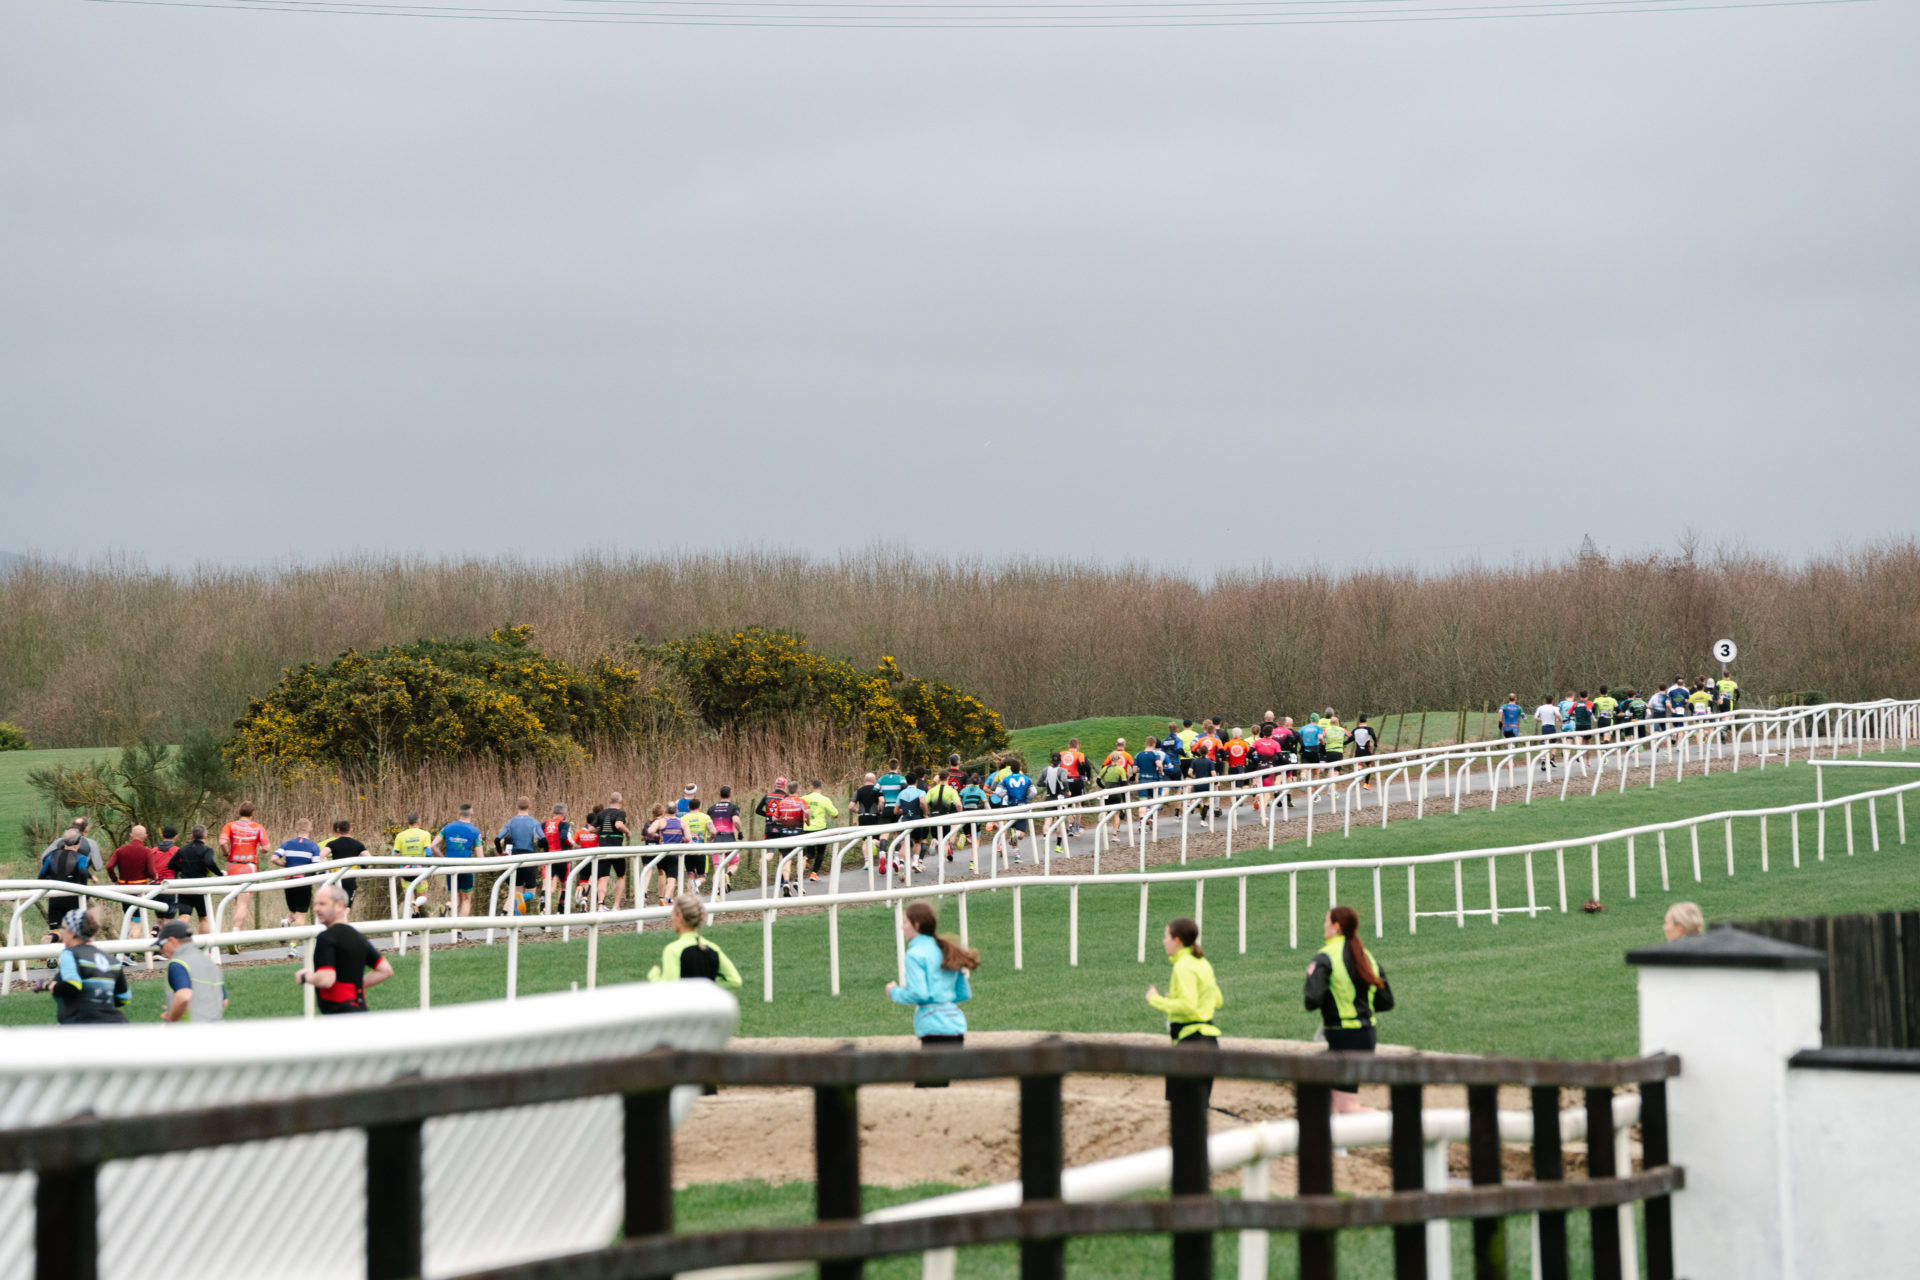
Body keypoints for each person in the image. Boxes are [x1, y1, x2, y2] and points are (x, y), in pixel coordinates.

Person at [1304, 906, 1393, 1114]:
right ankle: (1333, 1138)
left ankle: (1400, 1125)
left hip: (1344, 1037)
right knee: (1325, 1096)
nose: (1324, 925)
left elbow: (1312, 1000)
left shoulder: (1326, 957)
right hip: (1366, 1035)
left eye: (1326, 921)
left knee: (1348, 1107)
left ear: (1336, 927)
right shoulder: (1366, 956)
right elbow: (1386, 1002)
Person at [889, 900, 979, 1087]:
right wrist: (942, 998)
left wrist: (894, 992)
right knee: (938, 1087)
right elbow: (963, 993)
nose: (901, 927)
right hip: (956, 1027)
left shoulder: (915, 955)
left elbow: (920, 994)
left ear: (916, 925)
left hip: (935, 1029)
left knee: (927, 1089)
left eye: (905, 922)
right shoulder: (945, 949)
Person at [1145, 916, 1221, 1104]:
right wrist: (1177, 998)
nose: (1163, 941)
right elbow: (1217, 1000)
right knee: (1199, 1109)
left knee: (1177, 1108)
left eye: (1166, 936)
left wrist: (1156, 1000)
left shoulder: (1182, 967)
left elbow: (1188, 1006)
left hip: (1190, 1042)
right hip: (1210, 1042)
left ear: (1177, 940)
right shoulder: (1203, 963)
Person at [297, 883, 392, 1013]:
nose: (316, 909)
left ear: (339, 905)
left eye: (322, 904)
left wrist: (305, 976)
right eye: (315, 904)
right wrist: (355, 987)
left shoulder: (326, 937)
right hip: (362, 1011)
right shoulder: (359, 937)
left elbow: (326, 979)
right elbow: (385, 970)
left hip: (341, 1015)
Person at [35, 909, 129, 1024]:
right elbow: (124, 998)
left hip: (81, 1024)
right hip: (118, 1024)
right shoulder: (112, 960)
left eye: (63, 928)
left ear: (72, 932)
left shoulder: (70, 954)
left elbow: (73, 985)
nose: (61, 933)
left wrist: (47, 985)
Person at [646, 892, 742, 988]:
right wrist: (707, 982)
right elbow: (735, 980)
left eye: (673, 914)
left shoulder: (673, 950)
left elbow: (668, 988)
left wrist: (654, 975)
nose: (672, 919)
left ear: (680, 917)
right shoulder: (713, 948)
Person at [157, 918, 226, 1023]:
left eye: (161, 945)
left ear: (172, 941)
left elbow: (183, 997)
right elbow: (223, 1002)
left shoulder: (177, 964)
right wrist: (176, 1008)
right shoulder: (209, 962)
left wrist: (172, 1018)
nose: (161, 950)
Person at [218, 802, 269, 932]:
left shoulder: (230, 825)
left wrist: (226, 853)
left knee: (236, 900)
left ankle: (233, 931)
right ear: (252, 814)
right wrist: (261, 850)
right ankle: (235, 933)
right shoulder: (258, 828)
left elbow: (222, 842)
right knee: (242, 903)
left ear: (238, 812)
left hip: (233, 865)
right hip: (249, 866)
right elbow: (266, 847)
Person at [167, 825, 223, 935]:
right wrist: (220, 874)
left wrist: (183, 868)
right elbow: (209, 862)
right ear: (205, 836)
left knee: (184, 916)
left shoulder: (182, 850)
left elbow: (171, 865)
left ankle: (174, 937)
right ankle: (204, 944)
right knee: (204, 918)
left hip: (185, 886)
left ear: (191, 835)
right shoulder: (207, 850)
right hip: (201, 887)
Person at [431, 805, 484, 921]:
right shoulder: (475, 831)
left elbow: (433, 846)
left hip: (450, 867)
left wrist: (443, 859)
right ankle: (459, 928)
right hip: (466, 867)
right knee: (466, 899)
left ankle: (447, 906)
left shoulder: (447, 827)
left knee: (455, 899)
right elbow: (480, 856)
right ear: (472, 814)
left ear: (459, 814)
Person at [271, 819, 325, 930]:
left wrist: (286, 865)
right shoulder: (313, 846)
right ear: (311, 830)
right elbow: (316, 866)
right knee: (301, 914)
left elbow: (274, 858)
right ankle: (295, 940)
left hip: (289, 881)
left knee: (292, 911)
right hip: (303, 882)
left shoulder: (287, 844)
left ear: (296, 830)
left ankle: (287, 921)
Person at [496, 798, 545, 915]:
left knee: (517, 891)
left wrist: (500, 852)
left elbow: (497, 839)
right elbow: (543, 839)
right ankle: (520, 904)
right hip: (529, 857)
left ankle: (515, 918)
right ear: (530, 807)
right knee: (531, 893)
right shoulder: (534, 822)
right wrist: (545, 851)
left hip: (515, 857)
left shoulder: (511, 822)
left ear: (517, 806)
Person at [39, 831, 93, 931]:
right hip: (73, 899)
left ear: (64, 842)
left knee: (55, 932)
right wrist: (86, 893)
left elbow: (41, 877)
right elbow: (83, 872)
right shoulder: (81, 858)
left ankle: (52, 937)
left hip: (55, 899)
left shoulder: (51, 857)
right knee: (74, 933)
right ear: (79, 843)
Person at [590, 793, 632, 908]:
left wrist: (602, 831)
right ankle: (616, 905)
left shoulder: (601, 813)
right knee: (621, 876)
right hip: (616, 849)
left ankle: (601, 904)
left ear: (609, 800)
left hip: (603, 849)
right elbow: (618, 825)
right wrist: (627, 831)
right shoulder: (620, 813)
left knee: (603, 878)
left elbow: (591, 828)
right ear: (621, 801)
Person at [322, 818, 367, 907]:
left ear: (338, 830)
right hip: (350, 878)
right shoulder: (358, 844)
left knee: (336, 905)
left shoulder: (332, 843)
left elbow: (322, 855)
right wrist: (363, 866)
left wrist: (327, 870)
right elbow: (368, 858)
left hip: (336, 878)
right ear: (351, 830)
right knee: (347, 906)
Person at [801, 780, 841, 881]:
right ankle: (814, 874)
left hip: (806, 828)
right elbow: (835, 813)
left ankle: (803, 863)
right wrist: (833, 816)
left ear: (811, 787)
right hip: (820, 829)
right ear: (821, 787)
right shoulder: (824, 799)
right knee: (820, 852)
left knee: (809, 853)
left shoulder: (804, 798)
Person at [706, 786, 743, 893]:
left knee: (717, 869)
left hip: (716, 840)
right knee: (734, 864)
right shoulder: (733, 807)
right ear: (731, 794)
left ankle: (717, 891)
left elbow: (709, 825)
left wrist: (711, 837)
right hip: (729, 839)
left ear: (719, 795)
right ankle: (728, 874)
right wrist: (740, 832)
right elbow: (736, 820)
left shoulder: (711, 808)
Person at [541, 804, 576, 906]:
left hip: (548, 859)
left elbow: (540, 842)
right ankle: (561, 910)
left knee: (545, 886)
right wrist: (571, 845)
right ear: (564, 814)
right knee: (564, 887)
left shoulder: (543, 824)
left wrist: (546, 847)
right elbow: (564, 837)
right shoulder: (564, 824)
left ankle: (543, 908)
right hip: (562, 858)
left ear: (553, 813)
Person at [1351, 716, 1378, 789]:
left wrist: (1344, 743)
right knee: (1369, 766)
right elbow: (1373, 734)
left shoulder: (1355, 730)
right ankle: (1366, 784)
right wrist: (1375, 742)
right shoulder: (1368, 729)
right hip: (1367, 750)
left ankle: (1357, 779)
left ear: (1359, 721)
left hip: (1358, 750)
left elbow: (1351, 737)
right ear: (1366, 720)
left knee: (1358, 765)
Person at [1534, 696, 1562, 769]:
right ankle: (1552, 758)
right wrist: (1561, 721)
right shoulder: (1554, 708)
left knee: (1543, 744)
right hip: (1551, 727)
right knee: (1553, 743)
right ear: (1552, 701)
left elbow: (1535, 717)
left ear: (1545, 701)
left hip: (1544, 727)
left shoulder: (1540, 708)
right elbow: (1558, 715)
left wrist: (1541, 720)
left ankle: (1543, 760)